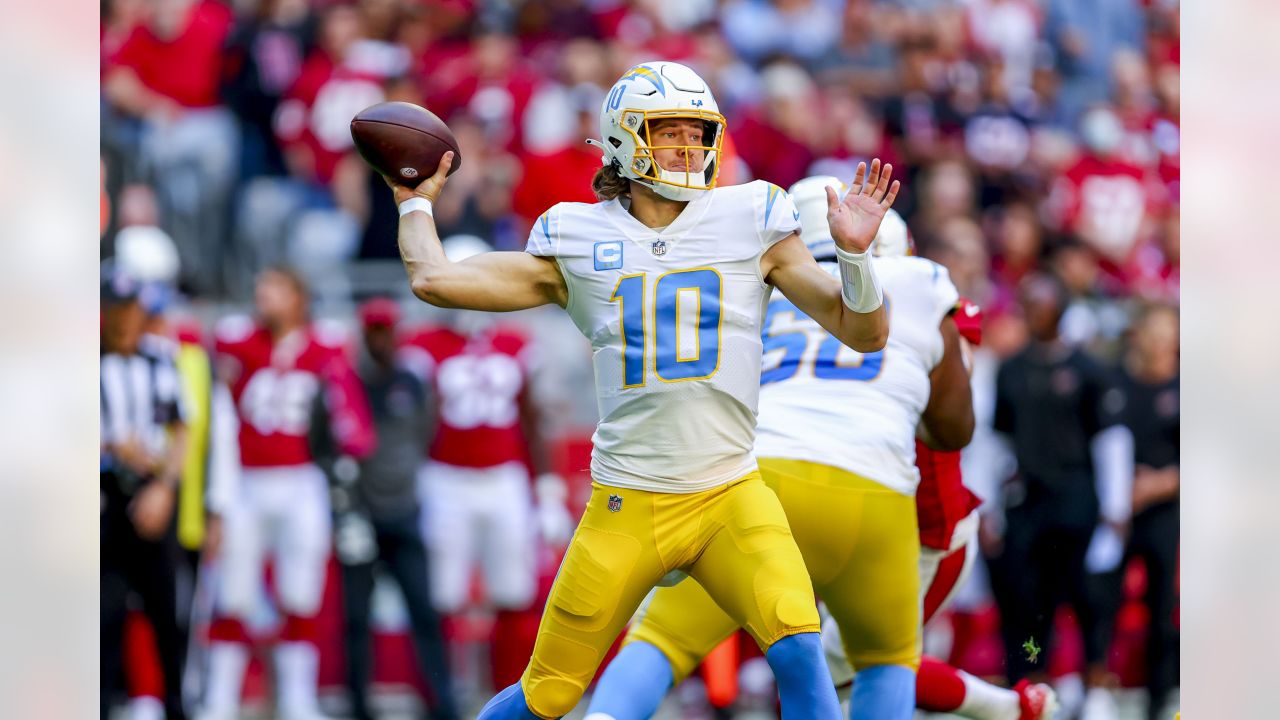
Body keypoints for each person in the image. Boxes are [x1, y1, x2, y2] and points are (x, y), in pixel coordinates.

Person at [385, 61, 895, 719]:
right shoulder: (577, 234)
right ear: (626, 140)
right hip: (628, 502)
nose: (688, 148)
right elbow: (434, 280)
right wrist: (415, 201)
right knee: (549, 695)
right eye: (669, 132)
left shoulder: (752, 215)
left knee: (798, 645)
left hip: (729, 494)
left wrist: (854, 258)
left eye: (696, 133)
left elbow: (864, 333)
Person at [584, 178, 976, 720]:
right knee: (887, 661)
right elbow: (954, 430)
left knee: (663, 638)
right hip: (875, 493)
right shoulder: (922, 280)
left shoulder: (747, 279)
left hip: (763, 478)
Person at [398, 235, 574, 692]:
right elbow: (412, 423)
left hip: (504, 479)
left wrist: (548, 490)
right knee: (443, 594)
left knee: (514, 593)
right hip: (444, 477)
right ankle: (443, 696)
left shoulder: (516, 341)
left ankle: (509, 695)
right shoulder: (422, 345)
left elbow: (533, 420)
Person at [199, 268, 376, 720]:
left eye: (274, 288)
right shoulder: (238, 341)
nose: (263, 296)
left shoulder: (326, 346)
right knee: (233, 594)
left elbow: (349, 419)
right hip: (247, 481)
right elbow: (220, 413)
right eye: (260, 288)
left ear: (299, 296)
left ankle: (299, 699)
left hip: (302, 481)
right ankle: (221, 699)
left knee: (301, 594)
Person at [986, 273, 1132, 715]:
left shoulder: (1088, 370)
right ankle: (1034, 680)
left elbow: (1109, 441)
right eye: (1027, 302)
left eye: (1042, 302)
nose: (1033, 311)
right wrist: (990, 507)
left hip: (1077, 501)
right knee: (1029, 601)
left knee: (1087, 595)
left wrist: (1116, 506)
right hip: (1028, 503)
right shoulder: (1010, 370)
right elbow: (999, 443)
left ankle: (1095, 682)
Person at [329, 297, 460, 720]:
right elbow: (320, 444)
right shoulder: (342, 383)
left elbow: (426, 431)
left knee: (424, 609)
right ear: (365, 334)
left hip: (403, 511)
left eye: (389, 331)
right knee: (356, 618)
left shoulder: (413, 379)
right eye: (376, 331)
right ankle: (358, 705)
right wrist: (342, 504)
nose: (384, 340)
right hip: (360, 515)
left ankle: (440, 702)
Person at [100, 268, 190, 720]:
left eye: (129, 308)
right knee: (103, 612)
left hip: (154, 493)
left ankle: (174, 704)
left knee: (165, 611)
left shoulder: (160, 359)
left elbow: (182, 430)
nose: (121, 319)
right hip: (103, 497)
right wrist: (112, 446)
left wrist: (164, 486)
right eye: (112, 309)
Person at [1116, 304, 1179, 720]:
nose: (1159, 340)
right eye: (1152, 330)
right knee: (1101, 598)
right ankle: (1100, 684)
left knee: (1162, 604)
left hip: (1166, 510)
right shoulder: (1117, 385)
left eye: (1167, 332)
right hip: (1118, 511)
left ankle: (1162, 692)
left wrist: (1159, 484)